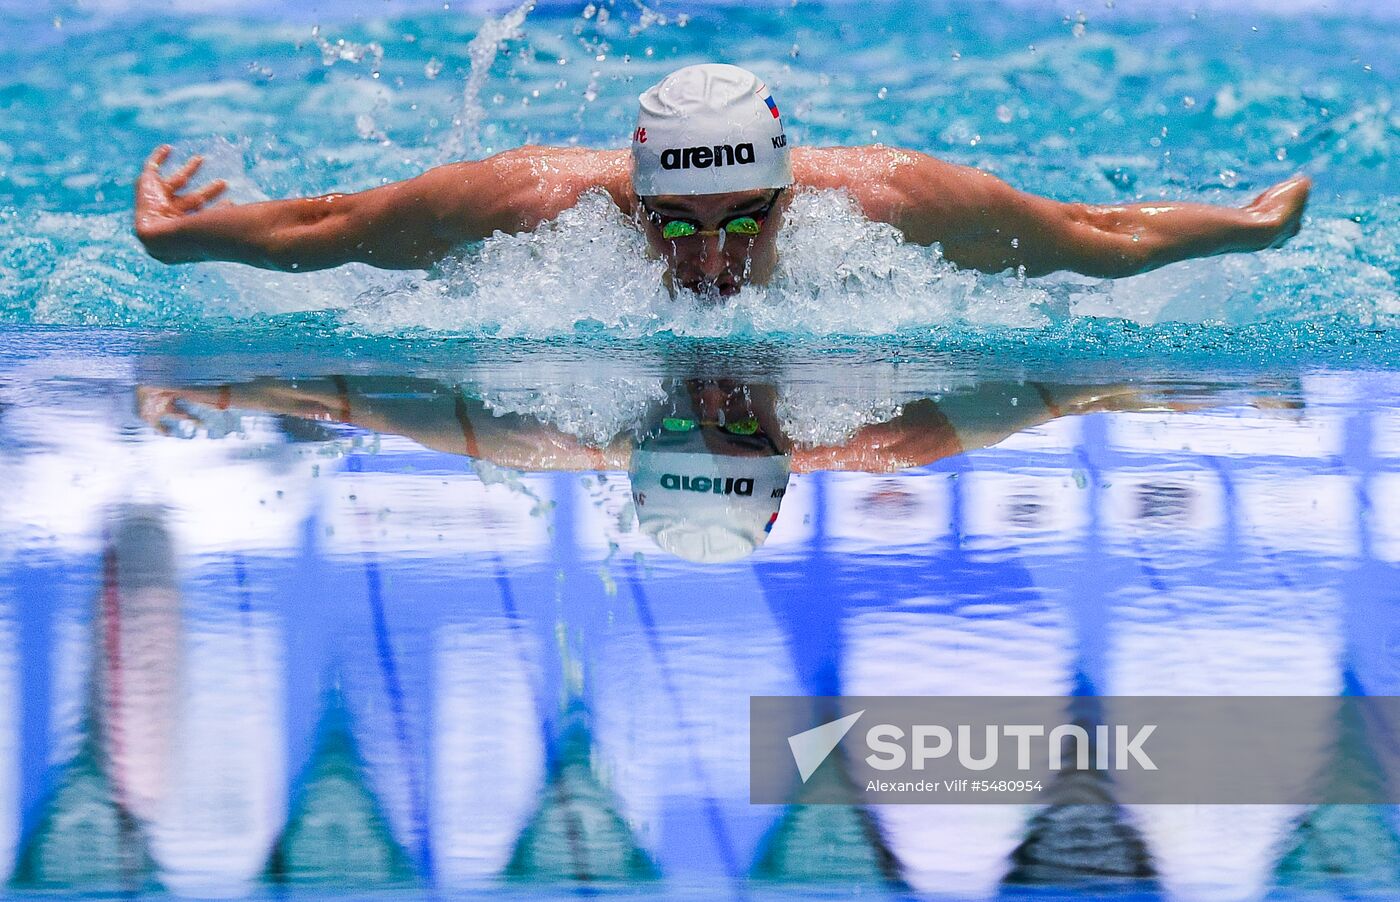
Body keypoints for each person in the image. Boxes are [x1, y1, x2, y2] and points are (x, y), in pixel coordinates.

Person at [135, 64, 1311, 298]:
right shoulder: (529, 204)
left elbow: (1085, 231)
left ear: (795, 191)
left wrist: (1237, 235)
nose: (709, 259)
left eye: (749, 217)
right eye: (672, 225)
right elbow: (332, 224)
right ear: (626, 198)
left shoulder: (893, 204)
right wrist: (182, 241)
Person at [138, 374, 1232, 563]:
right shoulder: (882, 438)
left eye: (696, 442)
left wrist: (228, 389)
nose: (713, 414)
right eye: (733, 441)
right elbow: (1067, 387)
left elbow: (351, 399)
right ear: (784, 463)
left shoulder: (543, 437)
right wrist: (1150, 391)